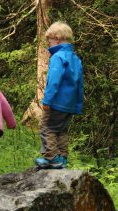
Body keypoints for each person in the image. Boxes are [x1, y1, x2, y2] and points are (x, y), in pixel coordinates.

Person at [35, 21, 84, 169]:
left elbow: (53, 82)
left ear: (56, 38)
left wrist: (47, 100)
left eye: (49, 40)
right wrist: (77, 105)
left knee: (46, 128)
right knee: (61, 130)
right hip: (69, 105)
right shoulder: (75, 58)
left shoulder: (58, 57)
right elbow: (79, 85)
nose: (48, 44)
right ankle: (62, 158)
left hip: (56, 103)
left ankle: (52, 158)